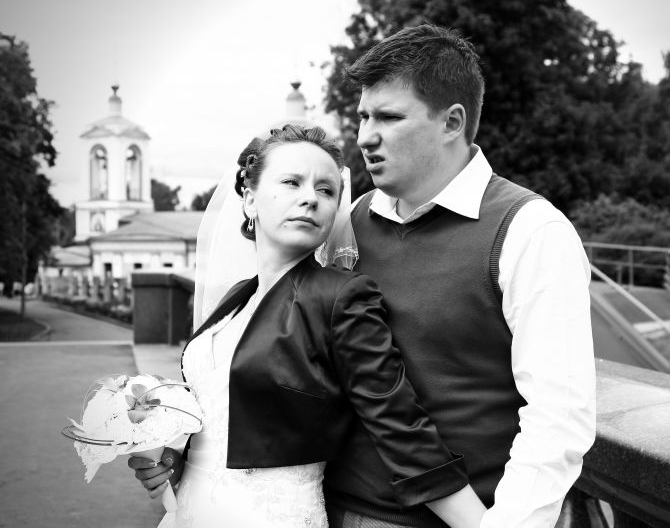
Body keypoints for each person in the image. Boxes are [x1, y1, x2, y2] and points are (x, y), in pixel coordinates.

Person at [129, 125, 486, 528]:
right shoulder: (234, 298)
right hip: (191, 511)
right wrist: (176, 462)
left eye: (326, 190)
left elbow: (400, 425)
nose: (310, 198)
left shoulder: (340, 297)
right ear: (250, 199)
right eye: (292, 182)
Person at [322, 25, 596, 528]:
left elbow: (558, 418)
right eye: (363, 116)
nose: (364, 137)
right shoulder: (350, 219)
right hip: (326, 509)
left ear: (452, 122)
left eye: (388, 117)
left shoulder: (532, 231)